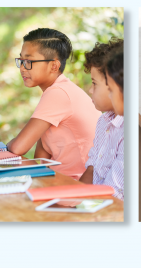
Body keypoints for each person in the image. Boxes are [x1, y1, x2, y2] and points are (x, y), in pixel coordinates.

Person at [7, 28, 100, 180]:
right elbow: (41, 157)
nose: (23, 68)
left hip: (78, 186)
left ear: (54, 66)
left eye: (29, 61)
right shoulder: (60, 90)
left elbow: (18, 147)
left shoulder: (58, 94)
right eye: (21, 61)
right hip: (64, 180)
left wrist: (5, 147)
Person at [78, 38, 125, 200]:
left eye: (94, 83)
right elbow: (92, 168)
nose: (90, 90)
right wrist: (73, 200)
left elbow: (112, 193)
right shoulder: (103, 121)